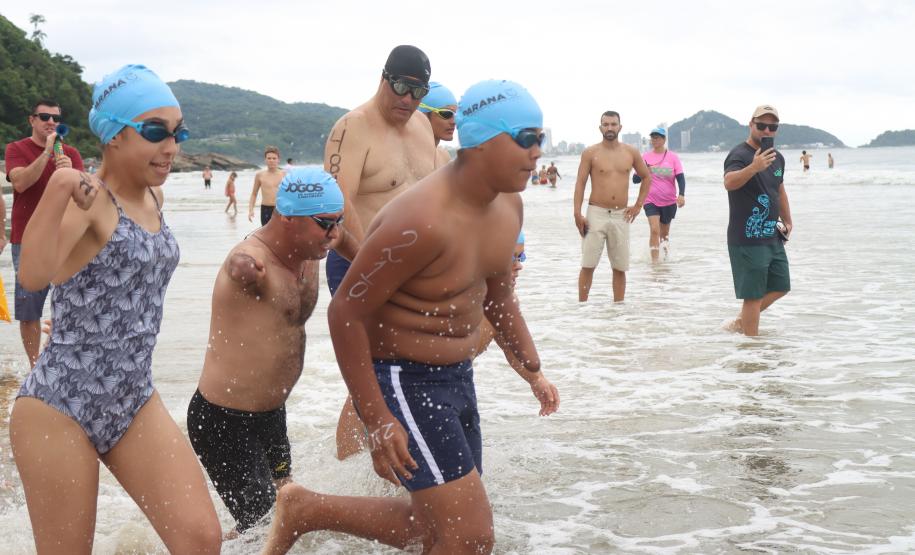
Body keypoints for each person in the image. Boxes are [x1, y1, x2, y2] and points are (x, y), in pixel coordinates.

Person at [262, 78, 550, 555]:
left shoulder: (509, 206)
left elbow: (499, 297)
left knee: (433, 528)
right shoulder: (418, 219)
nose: (537, 151)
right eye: (526, 138)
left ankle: (307, 509)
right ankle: (304, 509)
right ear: (481, 141)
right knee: (470, 536)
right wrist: (377, 419)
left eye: (540, 137)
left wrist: (533, 367)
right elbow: (346, 313)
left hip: (458, 376)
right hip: (406, 381)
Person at [8, 64, 221, 553]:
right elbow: (34, 276)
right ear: (113, 134)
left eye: (178, 132)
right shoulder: (90, 201)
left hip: (133, 397)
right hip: (59, 404)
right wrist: (59, 187)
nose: (172, 146)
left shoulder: (155, 195)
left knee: (201, 539)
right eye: (155, 132)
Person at [189, 167, 347, 536]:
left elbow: (363, 253)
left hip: (272, 415)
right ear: (288, 216)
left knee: (281, 510)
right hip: (224, 422)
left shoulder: (313, 244)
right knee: (265, 529)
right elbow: (238, 264)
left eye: (340, 221)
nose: (335, 233)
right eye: (326, 223)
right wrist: (240, 267)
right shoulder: (252, 262)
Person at [323, 45, 438, 460]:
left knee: (412, 366)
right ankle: (349, 463)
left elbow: (434, 196)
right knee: (372, 371)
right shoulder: (352, 128)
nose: (408, 99)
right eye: (402, 87)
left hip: (414, 269)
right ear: (383, 78)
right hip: (360, 263)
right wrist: (372, 264)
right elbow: (338, 204)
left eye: (419, 92)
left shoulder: (422, 126)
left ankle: (404, 457)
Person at [5, 98, 85, 367]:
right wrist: (46, 153)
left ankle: (60, 359)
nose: (51, 122)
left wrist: (73, 175)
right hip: (28, 239)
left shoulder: (70, 154)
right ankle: (34, 367)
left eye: (56, 118)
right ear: (32, 120)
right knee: (29, 308)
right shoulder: (16, 149)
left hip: (67, 238)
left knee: (73, 304)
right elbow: (20, 182)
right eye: (44, 117)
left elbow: (87, 200)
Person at [723, 104, 793, 336]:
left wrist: (788, 221)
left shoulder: (778, 158)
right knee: (752, 296)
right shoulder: (739, 154)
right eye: (761, 125)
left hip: (773, 234)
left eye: (772, 127)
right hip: (747, 237)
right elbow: (729, 182)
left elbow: (779, 190)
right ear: (751, 124)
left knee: (781, 286)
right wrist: (754, 167)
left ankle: (740, 322)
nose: (767, 131)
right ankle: (751, 348)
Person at [474, 230, 559, 416]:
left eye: (521, 257)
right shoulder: (457, 298)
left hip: (458, 384)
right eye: (511, 258)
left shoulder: (502, 303)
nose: (519, 265)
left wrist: (537, 379)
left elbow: (511, 346)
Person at [572, 111, 651, 302]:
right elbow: (580, 183)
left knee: (619, 267)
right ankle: (581, 308)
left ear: (620, 127)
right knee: (588, 264)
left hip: (621, 215)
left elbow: (646, 177)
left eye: (613, 124)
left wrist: (638, 205)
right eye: (606, 124)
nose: (609, 128)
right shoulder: (590, 153)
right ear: (600, 127)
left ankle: (619, 310)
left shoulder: (631, 152)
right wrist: (577, 213)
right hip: (596, 212)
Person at [634, 127, 686, 262]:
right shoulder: (645, 157)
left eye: (657, 137)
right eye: (653, 137)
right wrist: (645, 171)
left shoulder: (673, 157)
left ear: (664, 139)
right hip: (650, 200)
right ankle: (655, 263)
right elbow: (635, 179)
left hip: (669, 201)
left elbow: (680, 177)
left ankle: (665, 261)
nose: (654, 140)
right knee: (654, 230)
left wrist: (681, 194)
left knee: (664, 235)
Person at [418, 82, 457, 167]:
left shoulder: (444, 158)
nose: (454, 122)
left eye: (456, 115)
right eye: (447, 114)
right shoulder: (402, 153)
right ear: (423, 114)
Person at [248, 145, 285, 225]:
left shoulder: (284, 175)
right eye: (269, 158)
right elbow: (254, 194)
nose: (271, 160)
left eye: (274, 158)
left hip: (281, 210)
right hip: (266, 209)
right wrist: (251, 210)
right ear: (265, 160)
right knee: (267, 232)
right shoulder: (260, 175)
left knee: (281, 232)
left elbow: (291, 194)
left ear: (278, 160)